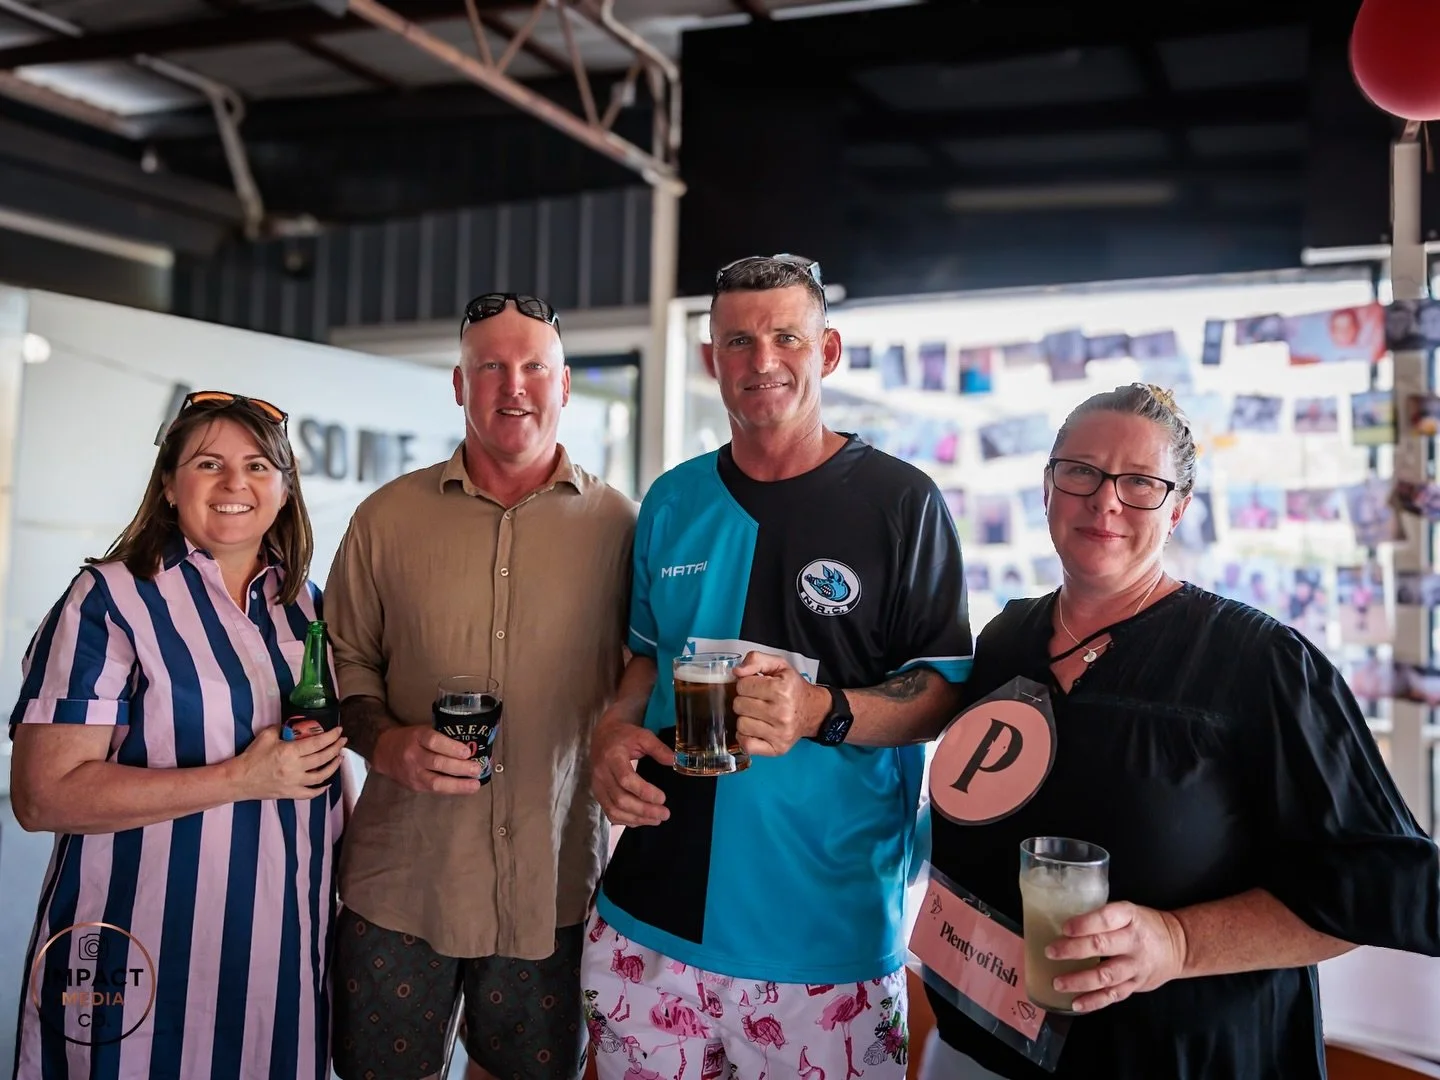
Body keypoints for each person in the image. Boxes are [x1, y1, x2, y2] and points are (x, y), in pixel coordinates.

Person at [920, 383, 1440, 1080]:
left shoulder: (1260, 664)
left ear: (1179, 510)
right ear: (1047, 488)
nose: (1105, 501)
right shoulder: (1007, 639)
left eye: (1140, 483)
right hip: (980, 1047)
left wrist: (1180, 942)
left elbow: (1374, 892)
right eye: (1081, 472)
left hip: (1183, 1058)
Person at [583, 254, 973, 1079]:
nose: (761, 362)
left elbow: (939, 690)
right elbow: (645, 663)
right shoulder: (673, 500)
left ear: (826, 351)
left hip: (822, 934)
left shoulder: (903, 503)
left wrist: (820, 709)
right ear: (710, 359)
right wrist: (612, 734)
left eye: (785, 337)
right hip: (651, 911)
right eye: (737, 341)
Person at [324, 292, 637, 1080]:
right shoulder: (385, 520)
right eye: (489, 367)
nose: (513, 385)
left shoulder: (622, 529)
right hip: (402, 883)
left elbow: (646, 671)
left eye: (535, 365)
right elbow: (344, 666)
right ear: (459, 387)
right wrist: (386, 744)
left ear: (565, 386)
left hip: (551, 888)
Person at [9, 390, 345, 1080]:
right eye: (208, 464)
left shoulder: (306, 608)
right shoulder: (108, 600)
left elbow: (325, 767)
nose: (234, 484)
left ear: (284, 490)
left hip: (280, 954)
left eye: (257, 466)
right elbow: (41, 797)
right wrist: (241, 778)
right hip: (138, 952)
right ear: (168, 485)